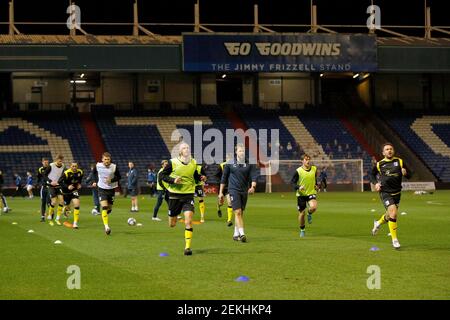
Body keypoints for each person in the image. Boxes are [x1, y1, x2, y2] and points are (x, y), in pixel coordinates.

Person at [160, 142, 206, 256]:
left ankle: (187, 247)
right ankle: (172, 215)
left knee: (188, 221)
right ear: (180, 151)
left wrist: (201, 177)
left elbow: (194, 175)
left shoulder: (193, 162)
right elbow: (162, 176)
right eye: (184, 148)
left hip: (188, 194)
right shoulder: (173, 162)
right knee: (172, 224)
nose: (187, 149)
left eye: (188, 148)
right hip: (174, 195)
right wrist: (173, 180)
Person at [370, 143, 411, 249]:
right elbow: (371, 174)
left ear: (393, 151)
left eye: (391, 149)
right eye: (387, 149)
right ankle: (395, 240)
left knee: (389, 215)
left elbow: (409, 175)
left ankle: (378, 223)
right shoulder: (380, 164)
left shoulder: (400, 161)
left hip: (397, 192)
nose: (389, 151)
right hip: (385, 192)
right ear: (383, 153)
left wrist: (405, 173)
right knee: (394, 213)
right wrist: (376, 183)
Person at [219, 143, 258, 243]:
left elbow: (253, 176)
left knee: (240, 213)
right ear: (236, 152)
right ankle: (242, 234)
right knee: (238, 212)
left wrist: (253, 187)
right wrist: (220, 193)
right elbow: (223, 178)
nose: (242, 152)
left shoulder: (249, 164)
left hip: (244, 191)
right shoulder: (229, 163)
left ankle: (235, 234)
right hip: (233, 190)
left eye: (243, 151)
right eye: (240, 150)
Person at [92, 152, 121, 235]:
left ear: (110, 159)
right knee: (104, 207)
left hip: (111, 189)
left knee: (109, 209)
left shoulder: (114, 167)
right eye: (105, 159)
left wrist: (111, 180)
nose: (107, 161)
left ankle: (104, 216)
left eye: (108, 159)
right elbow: (93, 173)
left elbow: (119, 177)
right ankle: (106, 227)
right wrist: (94, 181)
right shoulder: (98, 165)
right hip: (101, 189)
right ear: (102, 159)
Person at [290, 154, 319, 238]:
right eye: (306, 159)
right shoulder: (298, 171)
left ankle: (309, 213)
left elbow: (314, 178)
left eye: (309, 159)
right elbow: (292, 183)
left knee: (313, 207)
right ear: (302, 161)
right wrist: (299, 187)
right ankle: (302, 230)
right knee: (302, 214)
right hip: (301, 195)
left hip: (311, 193)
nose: (308, 161)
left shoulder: (314, 169)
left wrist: (316, 185)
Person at [58, 162, 83, 229]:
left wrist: (79, 184)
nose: (74, 167)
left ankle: (75, 223)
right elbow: (60, 181)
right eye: (73, 166)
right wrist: (67, 186)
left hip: (74, 190)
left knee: (77, 204)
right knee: (68, 206)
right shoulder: (66, 173)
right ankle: (65, 208)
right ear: (70, 166)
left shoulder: (80, 172)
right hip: (66, 192)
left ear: (77, 166)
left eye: (75, 166)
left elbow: (80, 179)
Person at [43, 154, 66, 225]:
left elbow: (62, 175)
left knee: (62, 201)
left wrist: (60, 182)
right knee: (54, 202)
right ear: (56, 160)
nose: (60, 162)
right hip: (51, 186)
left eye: (61, 161)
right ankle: (50, 215)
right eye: (59, 161)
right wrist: (50, 181)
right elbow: (44, 175)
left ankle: (57, 218)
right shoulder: (51, 165)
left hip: (58, 185)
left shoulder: (63, 166)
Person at [216, 154, 234, 226]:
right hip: (222, 186)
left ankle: (229, 220)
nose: (229, 159)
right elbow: (216, 175)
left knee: (229, 202)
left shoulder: (233, 166)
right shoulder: (221, 165)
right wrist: (221, 181)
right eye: (228, 158)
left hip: (229, 186)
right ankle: (218, 206)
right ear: (226, 159)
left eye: (230, 158)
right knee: (221, 202)